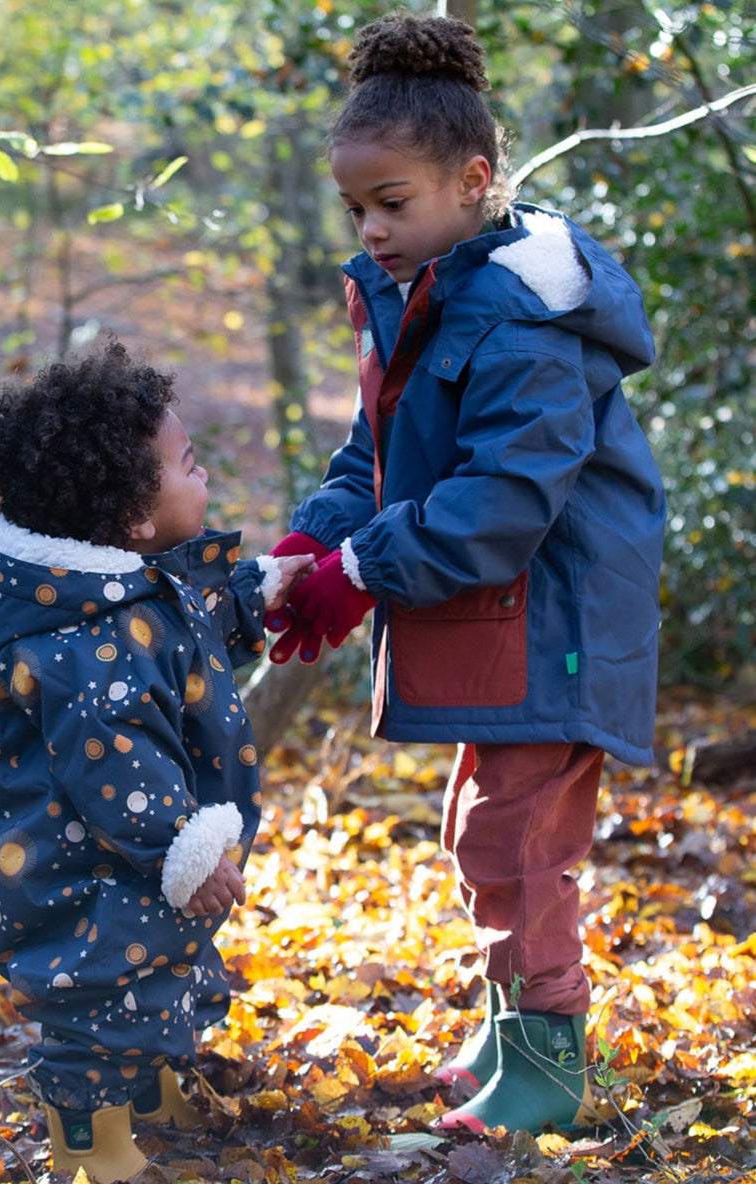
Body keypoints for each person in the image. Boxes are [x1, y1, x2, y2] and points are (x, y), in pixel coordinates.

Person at [265, 9, 665, 1135]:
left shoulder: (524, 318)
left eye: (392, 203)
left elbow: (502, 500)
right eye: (355, 207)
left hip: (558, 612)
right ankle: (507, 1030)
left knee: (518, 839)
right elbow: (380, 453)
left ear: (473, 180)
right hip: (501, 613)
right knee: (479, 827)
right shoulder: (423, 295)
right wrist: (315, 546)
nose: (371, 227)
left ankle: (547, 1057)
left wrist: (362, 570)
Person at [0, 338, 314, 1183]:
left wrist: (256, 593)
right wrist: (182, 851)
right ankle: (91, 1147)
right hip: (78, 861)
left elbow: (180, 628)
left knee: (157, 970)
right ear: (134, 519)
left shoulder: (109, 593)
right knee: (103, 997)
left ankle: (151, 1095)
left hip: (113, 853)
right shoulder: (91, 640)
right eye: (188, 465)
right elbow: (118, 767)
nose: (203, 475)